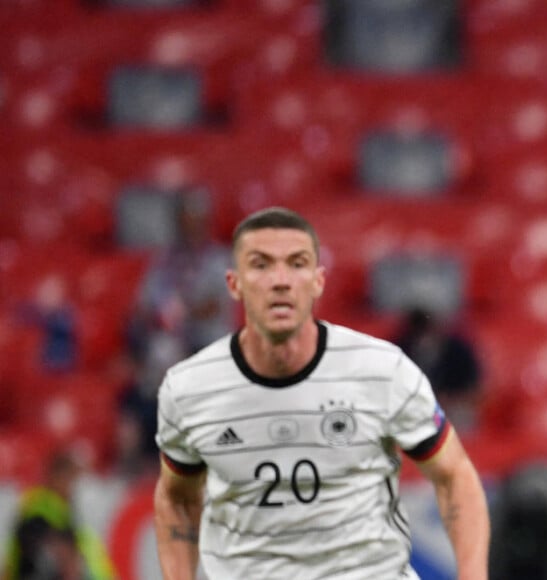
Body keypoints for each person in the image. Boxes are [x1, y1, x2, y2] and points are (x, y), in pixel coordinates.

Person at [153, 207, 490, 579]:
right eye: (261, 265)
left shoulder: (382, 371)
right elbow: (176, 497)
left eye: (296, 264)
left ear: (318, 281)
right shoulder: (190, 389)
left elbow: (455, 475)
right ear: (233, 284)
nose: (281, 281)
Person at [117, 190, 235, 477]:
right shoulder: (163, 262)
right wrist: (161, 319)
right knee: (142, 384)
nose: (189, 227)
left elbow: (214, 306)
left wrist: (182, 315)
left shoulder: (218, 259)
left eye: (195, 220)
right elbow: (143, 308)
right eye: (184, 220)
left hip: (205, 348)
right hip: (166, 346)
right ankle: (141, 460)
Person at [2, 450, 117, 580]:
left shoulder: (65, 510)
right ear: (57, 476)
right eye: (73, 479)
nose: (75, 487)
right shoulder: (40, 505)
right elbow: (40, 545)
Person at [392, 306, 483, 432]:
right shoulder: (401, 347)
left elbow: (476, 389)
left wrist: (450, 399)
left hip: (452, 408)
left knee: (461, 417)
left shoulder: (459, 349)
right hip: (411, 407)